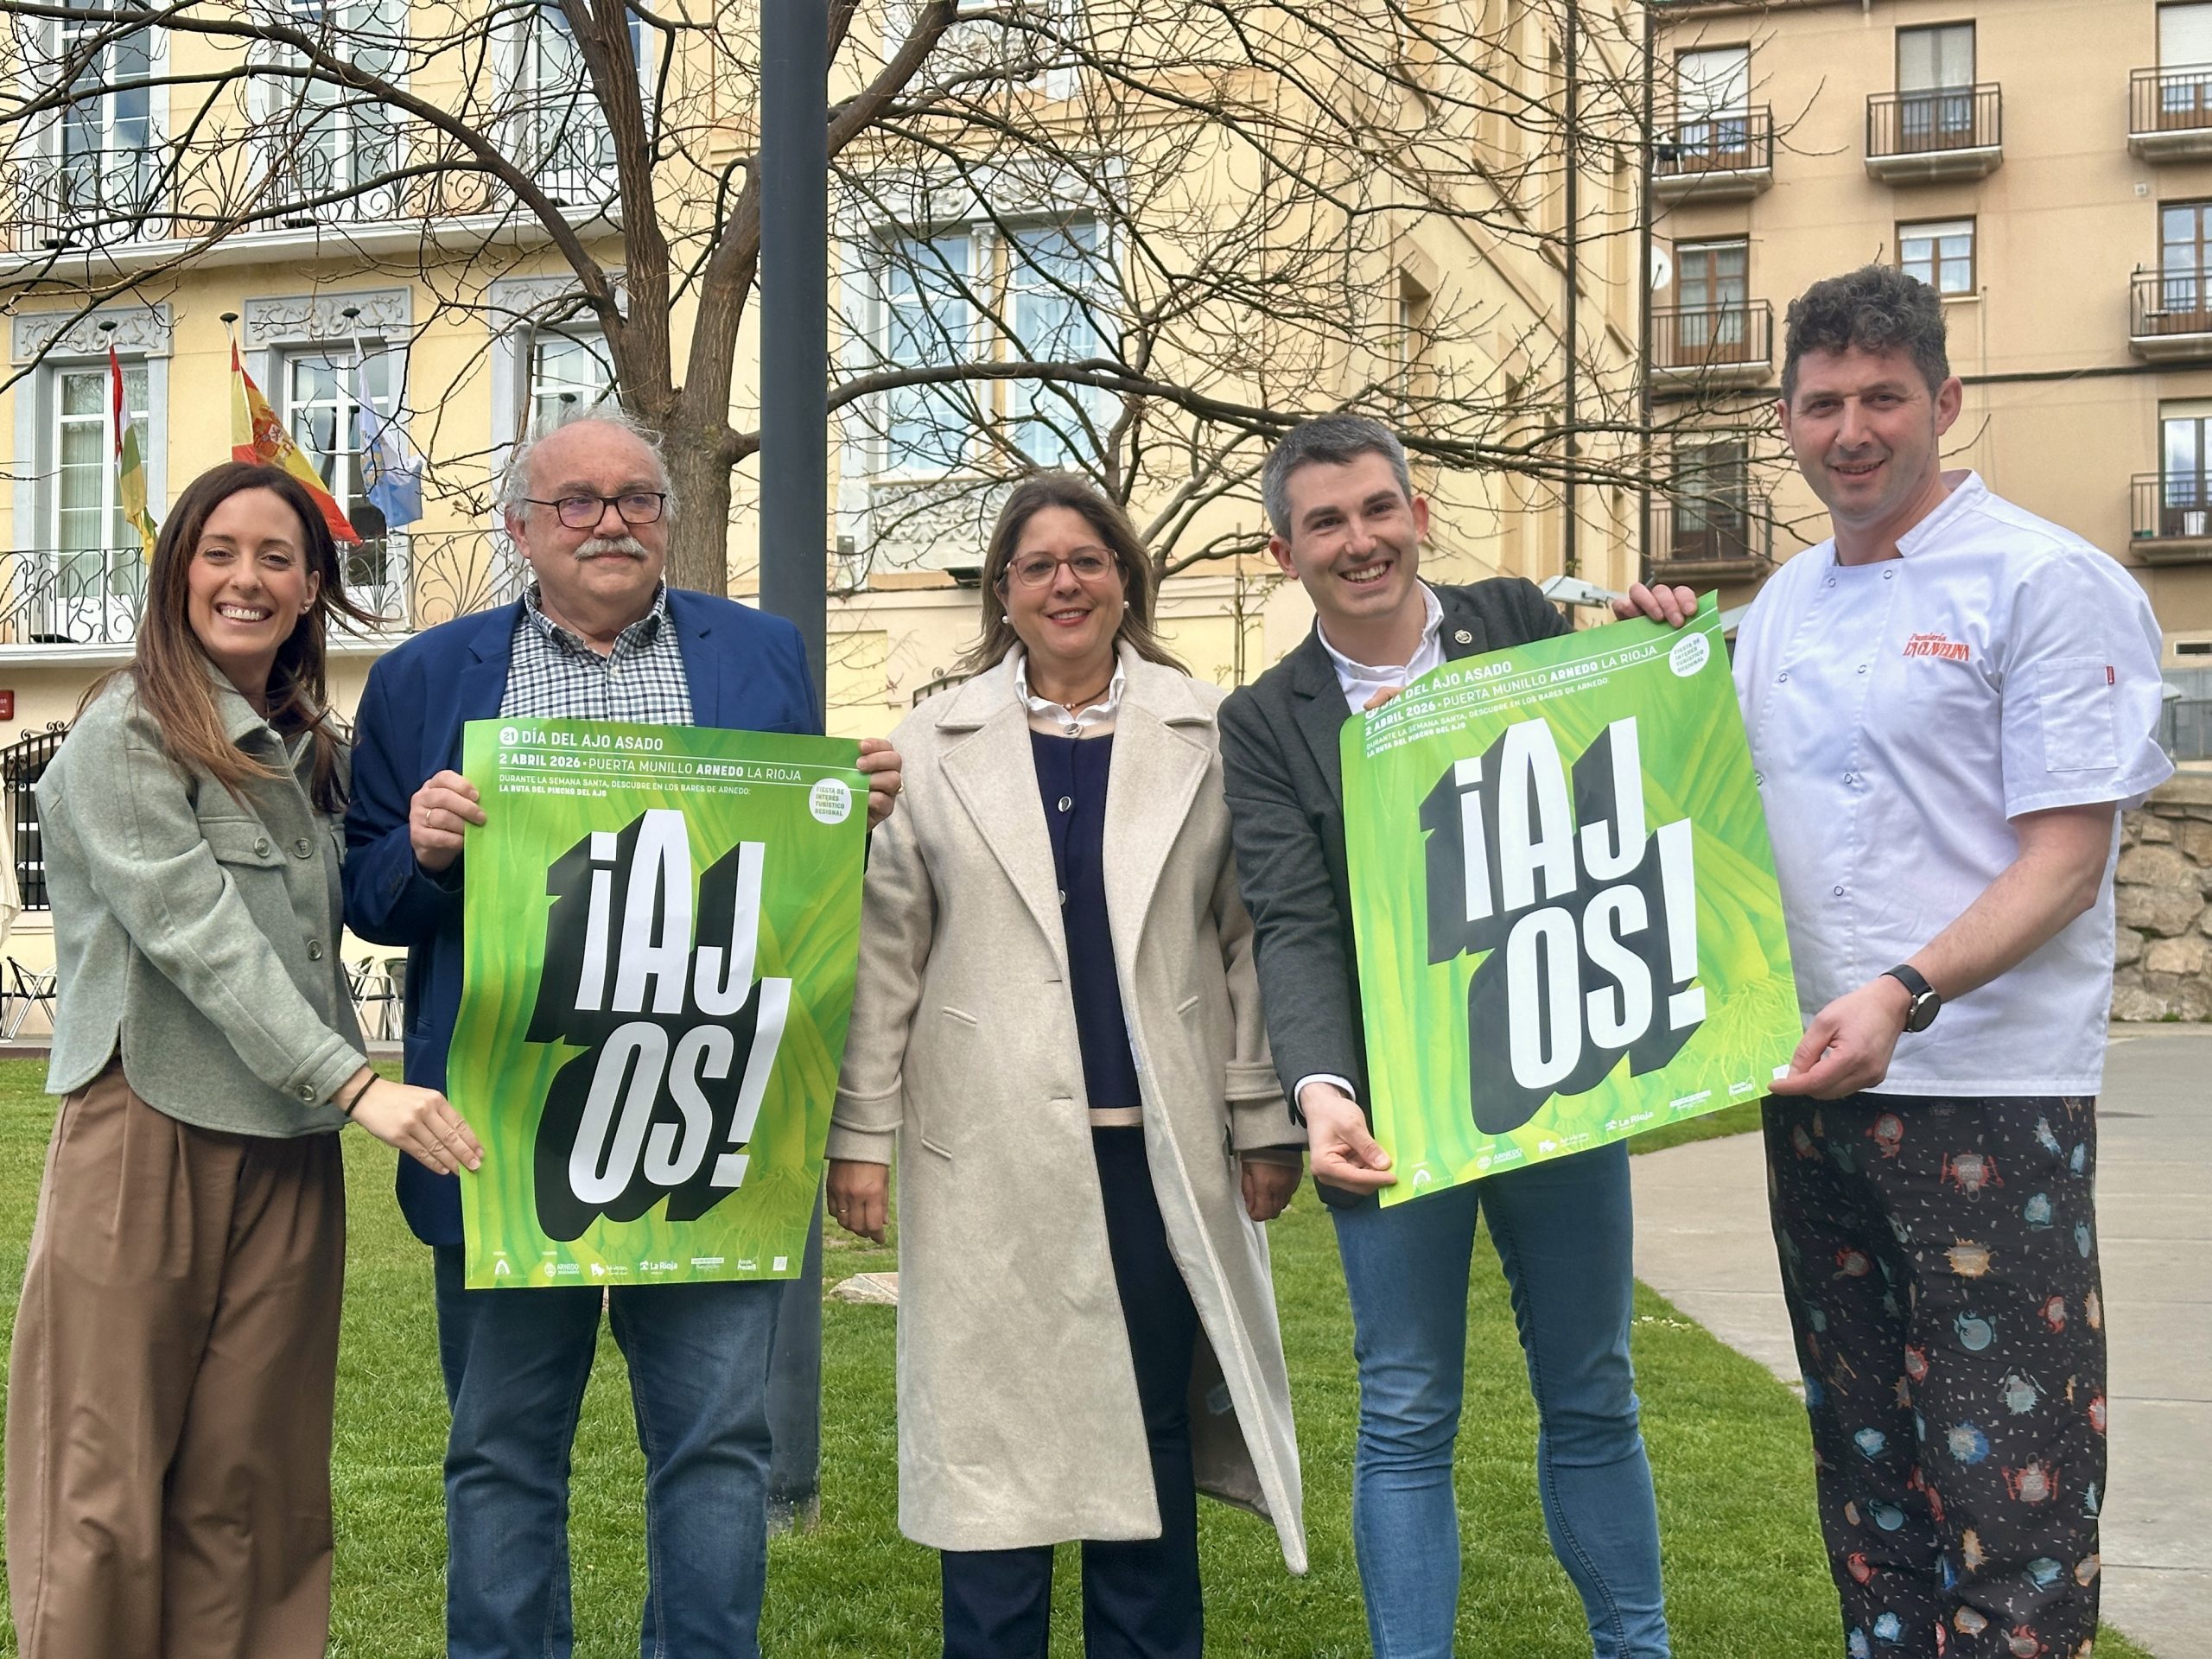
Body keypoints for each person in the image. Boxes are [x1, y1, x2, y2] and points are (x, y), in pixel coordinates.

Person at [342, 408, 902, 1659]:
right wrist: (421, 852)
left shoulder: (760, 654)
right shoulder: (421, 678)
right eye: (577, 502)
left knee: (716, 1450)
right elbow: (366, 898)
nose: (610, 522)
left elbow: (790, 886)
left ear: (668, 517)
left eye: (637, 498)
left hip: (708, 1122)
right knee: (501, 1454)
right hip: (503, 1132)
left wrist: (845, 818)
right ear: (520, 528)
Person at [1726, 265, 2169, 1659]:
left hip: (1987, 1093)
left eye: (1883, 398)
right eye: (1822, 405)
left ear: (1946, 401)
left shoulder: (2047, 582)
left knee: (2012, 1486)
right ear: (1785, 420)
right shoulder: (1777, 606)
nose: (1851, 432)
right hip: (1814, 1092)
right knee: (1869, 1480)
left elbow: (2066, 859)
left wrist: (1904, 991)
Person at [1217, 414, 1692, 1659]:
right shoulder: (1264, 721)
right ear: (1283, 553)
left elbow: (1638, 773)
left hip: (1559, 1067)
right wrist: (1321, 1091)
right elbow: (1294, 922)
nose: (1360, 541)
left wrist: (1659, 651)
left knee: (1594, 1390)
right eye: (1325, 522)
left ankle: (1637, 1648)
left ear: (1418, 515)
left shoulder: (1524, 622)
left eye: (1379, 509)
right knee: (1406, 1409)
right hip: (1393, 1102)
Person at [3, 461, 481, 1659]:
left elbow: (364, 894)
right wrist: (360, 1085)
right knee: (101, 1487)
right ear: (177, 571)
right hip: (147, 1132)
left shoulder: (310, 748)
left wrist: (433, 843)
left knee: (254, 1489)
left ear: (313, 585)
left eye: (277, 557)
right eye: (219, 552)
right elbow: (200, 939)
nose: (246, 579)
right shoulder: (123, 734)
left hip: (288, 1149)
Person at [826, 473, 1307, 1658]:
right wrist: (861, 1135)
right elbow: (890, 952)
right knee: (993, 1460)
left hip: (1155, 1153)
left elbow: (1249, 938)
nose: (1065, 584)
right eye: (1037, 566)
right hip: (983, 1155)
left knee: (1144, 1440)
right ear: (1004, 592)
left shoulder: (1209, 732)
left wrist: (1262, 1116)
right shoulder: (931, 746)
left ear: (1125, 579)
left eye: (1087, 560)